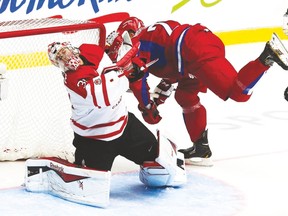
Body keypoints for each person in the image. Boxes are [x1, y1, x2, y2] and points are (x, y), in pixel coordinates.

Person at [112, 17, 288, 167]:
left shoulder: (141, 45)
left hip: (194, 51)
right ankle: (200, 149)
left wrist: (147, 108)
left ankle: (267, 57)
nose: (121, 52)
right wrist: (159, 96)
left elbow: (138, 81)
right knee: (185, 95)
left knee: (237, 93)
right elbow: (170, 65)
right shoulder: (152, 36)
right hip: (190, 53)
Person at [45, 41, 186, 192]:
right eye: (59, 58)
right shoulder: (73, 80)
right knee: (90, 187)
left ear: (73, 48)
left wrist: (128, 67)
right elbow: (105, 96)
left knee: (160, 166)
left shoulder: (91, 50)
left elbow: (112, 67)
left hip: (125, 126)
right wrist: (127, 74)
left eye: (64, 52)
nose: (66, 59)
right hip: (94, 140)